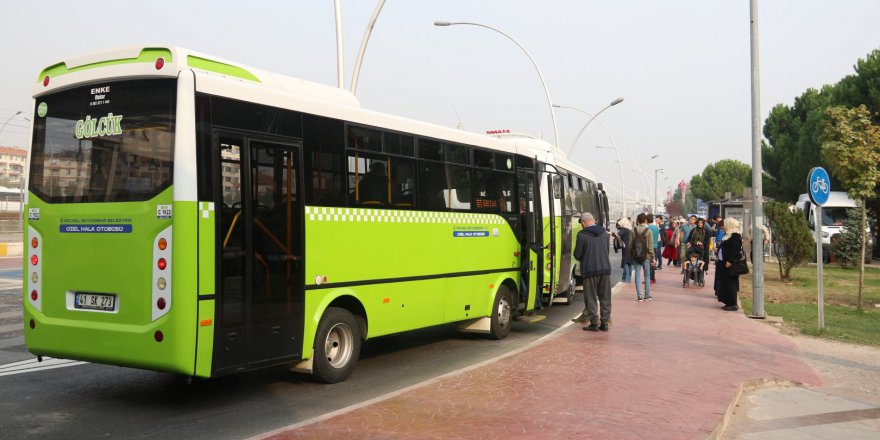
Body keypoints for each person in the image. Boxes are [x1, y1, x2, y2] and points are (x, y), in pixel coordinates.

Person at [572, 212, 612, 331]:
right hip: (605, 269)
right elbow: (606, 251)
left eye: (581, 224)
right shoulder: (604, 233)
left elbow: (578, 255)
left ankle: (594, 323)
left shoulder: (582, 235)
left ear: (584, 223)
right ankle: (604, 323)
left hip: (589, 271)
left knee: (591, 297)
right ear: (593, 220)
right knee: (605, 297)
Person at [716, 217, 744, 311]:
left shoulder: (735, 235)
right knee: (725, 283)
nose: (722, 228)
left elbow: (735, 250)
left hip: (729, 263)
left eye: (723, 225)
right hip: (723, 263)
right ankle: (727, 302)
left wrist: (730, 261)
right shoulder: (728, 235)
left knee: (731, 283)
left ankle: (732, 304)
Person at [631, 213, 655, 301]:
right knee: (647, 275)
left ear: (638, 220)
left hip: (636, 256)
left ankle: (639, 296)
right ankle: (647, 295)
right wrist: (653, 257)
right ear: (645, 221)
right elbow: (651, 246)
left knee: (637, 275)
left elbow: (630, 245)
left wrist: (631, 255)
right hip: (646, 256)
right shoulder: (648, 231)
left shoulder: (633, 230)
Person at [617, 218, 633, 283]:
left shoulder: (624, 229)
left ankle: (627, 279)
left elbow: (618, 234)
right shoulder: (630, 229)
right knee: (630, 263)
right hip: (631, 247)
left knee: (626, 262)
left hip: (626, 248)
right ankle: (626, 278)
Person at [647, 214, 660, 283]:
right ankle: (653, 278)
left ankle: (649, 278)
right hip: (655, 246)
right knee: (653, 262)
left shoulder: (647, 228)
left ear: (647, 220)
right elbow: (658, 238)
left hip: (649, 247)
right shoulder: (656, 228)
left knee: (648, 263)